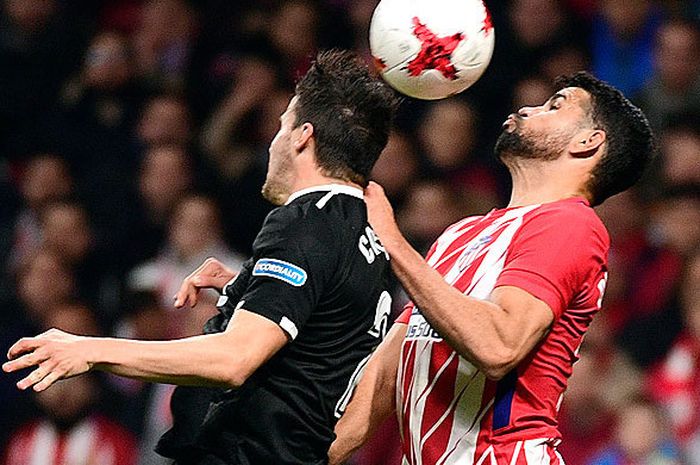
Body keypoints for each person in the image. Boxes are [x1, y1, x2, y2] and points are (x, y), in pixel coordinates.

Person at [3, 49, 398, 465]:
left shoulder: (303, 223)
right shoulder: (365, 235)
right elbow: (325, 337)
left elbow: (234, 358)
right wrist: (247, 288)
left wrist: (89, 350)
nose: (274, 141)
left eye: (282, 126)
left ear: (303, 135)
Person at [329, 72, 656, 465]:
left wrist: (393, 242)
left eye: (555, 105)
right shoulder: (461, 233)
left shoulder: (570, 223)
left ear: (589, 141)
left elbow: (499, 345)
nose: (527, 108)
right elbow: (386, 375)